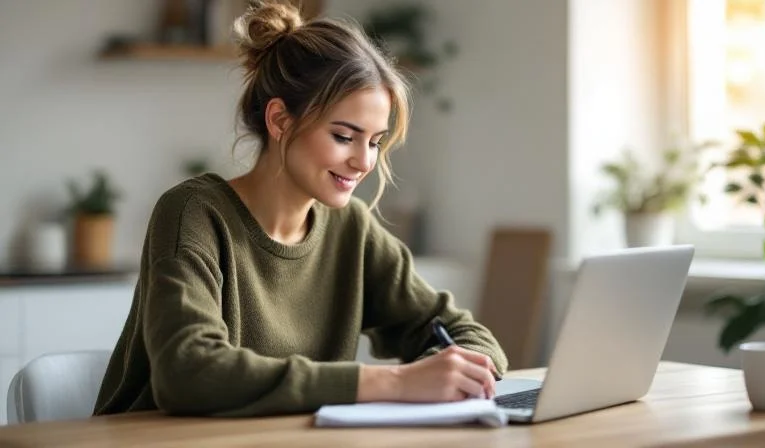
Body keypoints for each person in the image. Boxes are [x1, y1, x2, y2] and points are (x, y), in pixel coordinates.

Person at [93, 0, 508, 418]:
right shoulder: (194, 213)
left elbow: (464, 332)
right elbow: (189, 373)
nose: (365, 162)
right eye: (345, 136)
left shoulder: (350, 229)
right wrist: (396, 383)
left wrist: (460, 369)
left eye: (375, 141)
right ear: (280, 121)